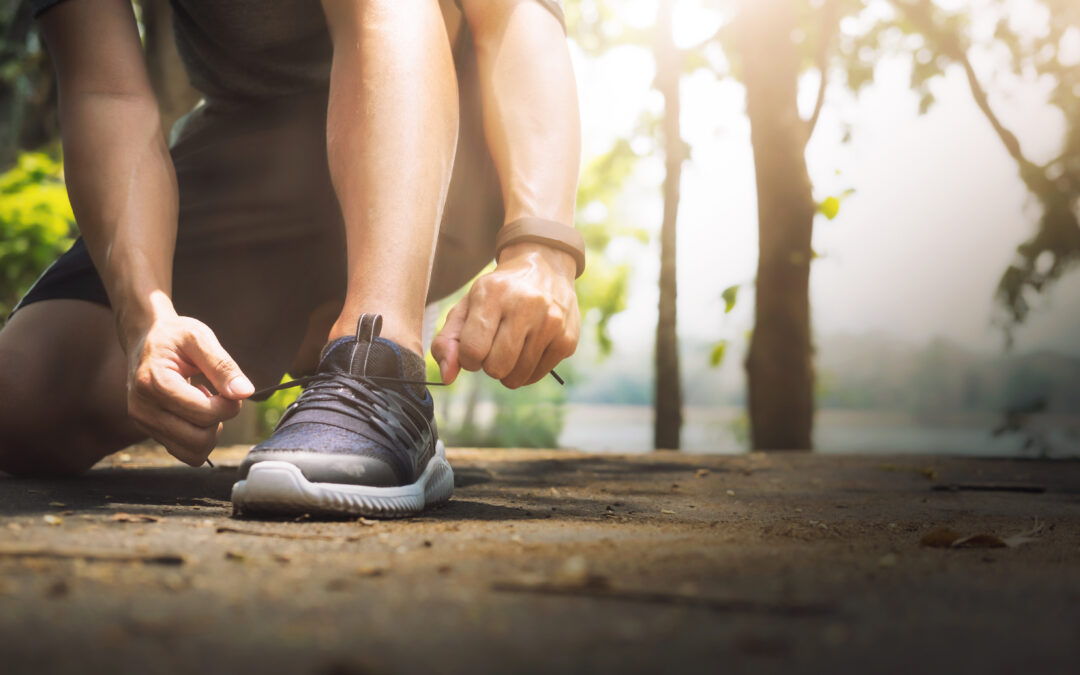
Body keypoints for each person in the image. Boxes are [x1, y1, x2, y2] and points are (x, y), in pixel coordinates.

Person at [0, 0, 585, 517]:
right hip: (253, 154)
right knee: (23, 398)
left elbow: (513, 13)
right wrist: (144, 319)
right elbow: (108, 91)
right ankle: (311, 331)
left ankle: (378, 362)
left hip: (455, 152)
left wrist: (542, 247)